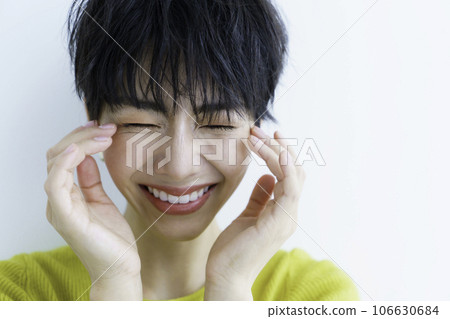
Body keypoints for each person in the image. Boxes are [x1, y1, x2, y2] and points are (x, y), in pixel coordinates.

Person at [0, 0, 359, 301]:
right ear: (92, 121)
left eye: (218, 124)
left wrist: (230, 287)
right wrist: (115, 284)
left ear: (257, 127)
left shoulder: (312, 295)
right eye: (140, 124)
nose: (180, 166)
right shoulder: (22, 291)